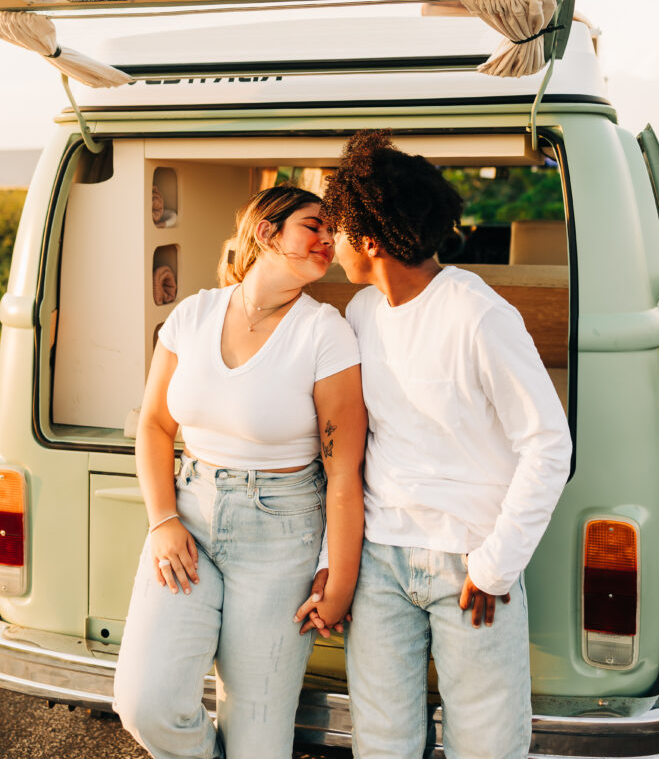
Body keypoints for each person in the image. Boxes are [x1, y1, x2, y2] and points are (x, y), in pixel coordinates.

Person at [295, 131, 572, 759]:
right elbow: (350, 451)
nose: (328, 242)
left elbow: (548, 445)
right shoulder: (362, 313)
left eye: (335, 228)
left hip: (470, 566)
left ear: (367, 239)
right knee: (383, 746)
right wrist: (334, 558)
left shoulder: (479, 314)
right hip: (379, 564)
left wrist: (496, 564)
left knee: (486, 747)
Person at [114, 184, 367, 759]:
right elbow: (155, 425)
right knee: (144, 702)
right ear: (266, 232)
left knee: (258, 738)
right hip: (189, 520)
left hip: (282, 532)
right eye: (313, 224)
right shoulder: (193, 314)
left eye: (334, 230)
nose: (329, 238)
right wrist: (162, 521)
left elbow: (344, 469)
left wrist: (340, 575)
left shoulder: (325, 331)